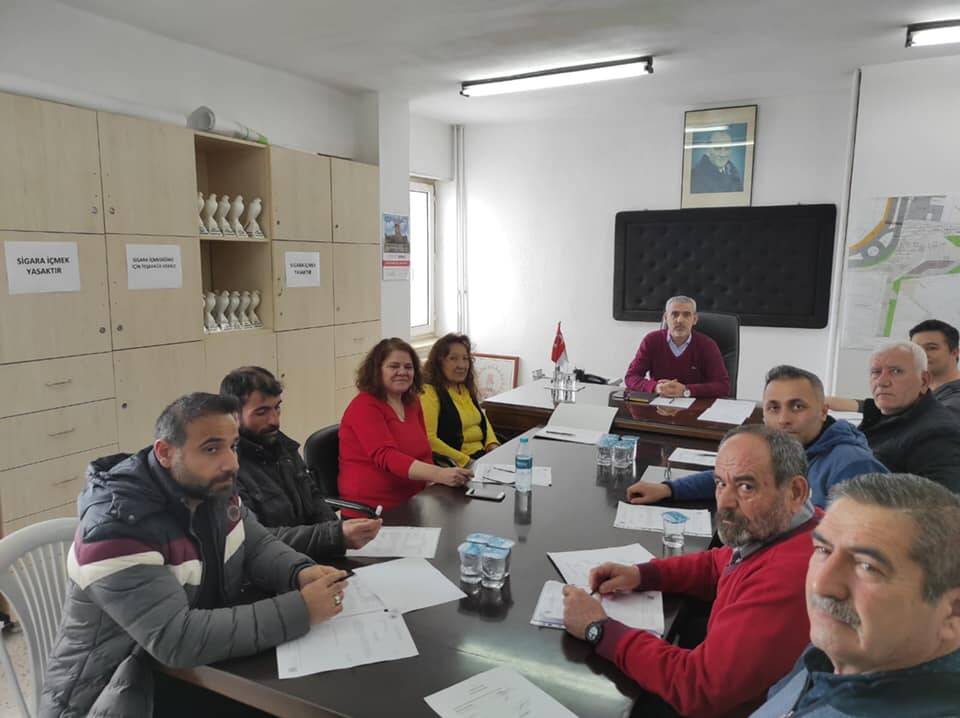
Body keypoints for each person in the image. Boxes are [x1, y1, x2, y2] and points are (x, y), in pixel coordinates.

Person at [40, 393, 350, 717]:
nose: (231, 463)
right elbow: (177, 639)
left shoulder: (208, 487)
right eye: (211, 449)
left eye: (233, 446)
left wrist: (298, 571)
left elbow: (254, 542)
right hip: (112, 696)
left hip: (188, 677)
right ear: (165, 452)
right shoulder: (116, 526)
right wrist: (302, 609)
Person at [563, 425, 818, 718]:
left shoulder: (787, 576)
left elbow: (697, 688)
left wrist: (598, 629)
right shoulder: (792, 526)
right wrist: (643, 574)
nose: (725, 502)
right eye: (720, 483)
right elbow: (717, 564)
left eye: (746, 487)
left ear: (795, 492)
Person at [750, 473, 960, 717]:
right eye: (823, 549)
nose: (820, 584)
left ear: (953, 611)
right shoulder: (837, 648)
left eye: (867, 566)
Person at [628, 365, 886, 509]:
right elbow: (734, 478)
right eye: (774, 408)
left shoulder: (852, 464)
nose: (783, 419)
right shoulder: (781, 448)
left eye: (797, 406)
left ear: (823, 411)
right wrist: (668, 489)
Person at [220, 366, 381, 559]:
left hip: (310, 557)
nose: (274, 421)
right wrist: (334, 536)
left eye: (277, 407)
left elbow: (314, 499)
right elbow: (255, 541)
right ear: (233, 416)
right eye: (261, 412)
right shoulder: (227, 469)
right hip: (274, 568)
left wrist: (338, 532)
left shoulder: (282, 447)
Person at [338, 337, 473, 513]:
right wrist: (439, 474)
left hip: (415, 501)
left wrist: (434, 482)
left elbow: (424, 451)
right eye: (394, 366)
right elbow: (387, 456)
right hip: (373, 510)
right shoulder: (364, 406)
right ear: (376, 370)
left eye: (408, 367)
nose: (402, 372)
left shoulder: (412, 402)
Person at [855, 341, 960, 492]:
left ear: (924, 381)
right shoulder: (878, 416)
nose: (882, 382)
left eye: (896, 371)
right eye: (876, 372)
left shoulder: (939, 434)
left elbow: (940, 503)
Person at [624, 295, 730, 398]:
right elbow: (631, 377)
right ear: (666, 318)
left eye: (686, 315)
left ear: (694, 319)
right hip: (659, 403)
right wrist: (655, 387)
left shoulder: (707, 345)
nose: (680, 320)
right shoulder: (651, 340)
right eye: (674, 314)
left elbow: (723, 386)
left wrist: (686, 390)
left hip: (695, 406)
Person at [420, 333, 499, 467]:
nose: (461, 365)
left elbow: (483, 421)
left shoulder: (464, 388)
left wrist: (492, 445)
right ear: (439, 362)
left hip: (482, 457)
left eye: (465, 359)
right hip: (457, 465)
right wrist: (466, 461)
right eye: (453, 359)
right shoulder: (429, 392)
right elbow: (429, 440)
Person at [910, 318, 960, 417]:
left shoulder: (954, 402)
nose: (922, 354)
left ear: (955, 352)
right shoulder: (917, 391)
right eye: (916, 349)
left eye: (931, 348)